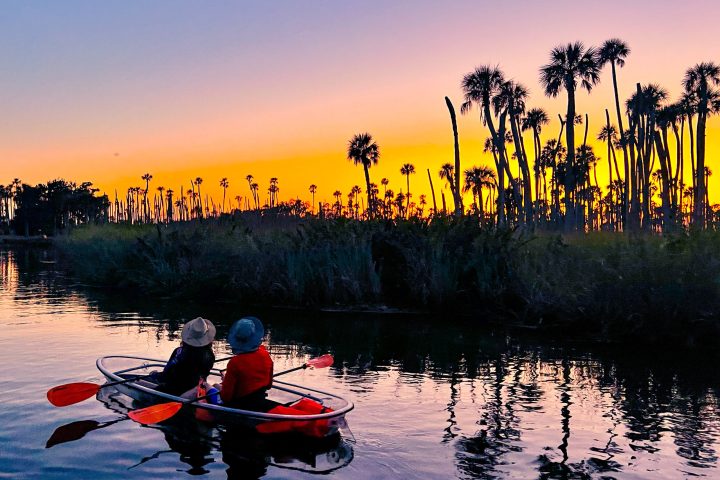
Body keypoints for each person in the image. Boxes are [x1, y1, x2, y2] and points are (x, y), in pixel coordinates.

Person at [217, 316, 273, 410]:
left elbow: (226, 397)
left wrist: (225, 380)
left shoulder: (235, 362)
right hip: (259, 402)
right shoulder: (265, 354)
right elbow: (268, 385)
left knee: (214, 386)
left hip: (240, 406)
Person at [151, 317, 216, 396]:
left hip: (173, 392)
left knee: (138, 382)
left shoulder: (179, 353)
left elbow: (166, 375)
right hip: (196, 391)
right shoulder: (210, 355)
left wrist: (155, 375)